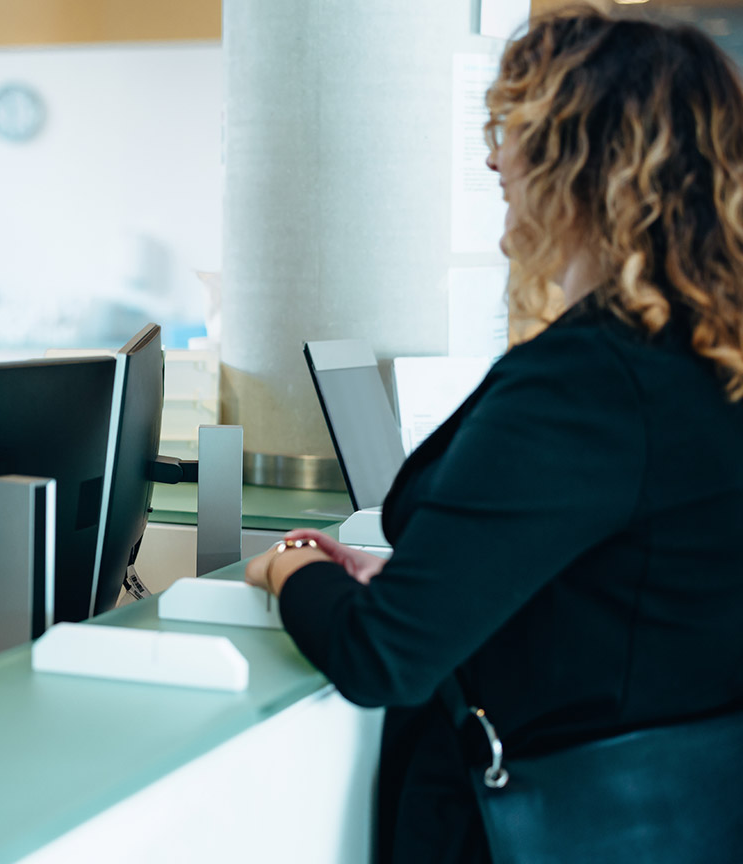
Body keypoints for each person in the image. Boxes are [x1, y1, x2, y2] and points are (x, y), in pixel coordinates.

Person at [244, 9, 743, 863]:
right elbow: (632, 582)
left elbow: (380, 658)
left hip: (551, 820)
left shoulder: (587, 380)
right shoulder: (704, 355)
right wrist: (431, 576)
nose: (490, 161)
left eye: (508, 132)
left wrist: (286, 562)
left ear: (577, 161)